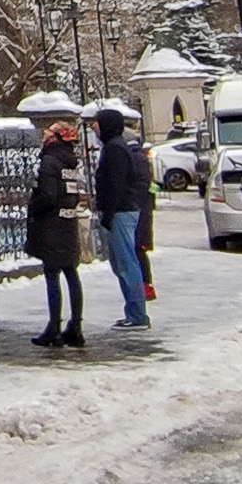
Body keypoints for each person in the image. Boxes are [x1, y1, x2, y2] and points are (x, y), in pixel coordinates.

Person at [27, 114, 90, 348]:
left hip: (51, 225)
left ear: (54, 139)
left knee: (52, 273)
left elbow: (48, 195)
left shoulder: (50, 161)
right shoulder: (71, 161)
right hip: (68, 222)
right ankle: (75, 326)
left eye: (48, 133)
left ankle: (54, 327)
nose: (44, 136)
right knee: (71, 273)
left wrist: (33, 206)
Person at [91, 106, 153, 329]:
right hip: (121, 210)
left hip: (121, 211)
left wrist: (108, 213)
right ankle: (134, 313)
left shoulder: (115, 149)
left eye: (97, 122)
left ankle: (137, 315)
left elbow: (115, 184)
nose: (94, 127)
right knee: (122, 263)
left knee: (126, 263)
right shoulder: (114, 146)